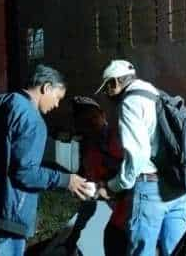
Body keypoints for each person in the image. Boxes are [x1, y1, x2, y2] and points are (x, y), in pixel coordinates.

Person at [0, 64, 93, 256]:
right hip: (7, 220)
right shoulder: (32, 120)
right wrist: (67, 180)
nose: (56, 105)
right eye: (57, 97)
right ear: (46, 88)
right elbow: (25, 174)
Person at [95, 60, 186, 256]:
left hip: (152, 189)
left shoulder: (129, 103)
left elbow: (137, 158)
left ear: (115, 83)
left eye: (107, 88)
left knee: (143, 252)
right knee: (176, 251)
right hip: (179, 185)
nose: (107, 95)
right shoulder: (155, 93)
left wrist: (113, 186)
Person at [63, 96, 129, 255]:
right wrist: (76, 232)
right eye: (85, 121)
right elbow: (89, 197)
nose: (91, 123)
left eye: (93, 117)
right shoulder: (90, 152)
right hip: (118, 209)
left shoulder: (120, 138)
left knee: (115, 238)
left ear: (103, 115)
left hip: (136, 207)